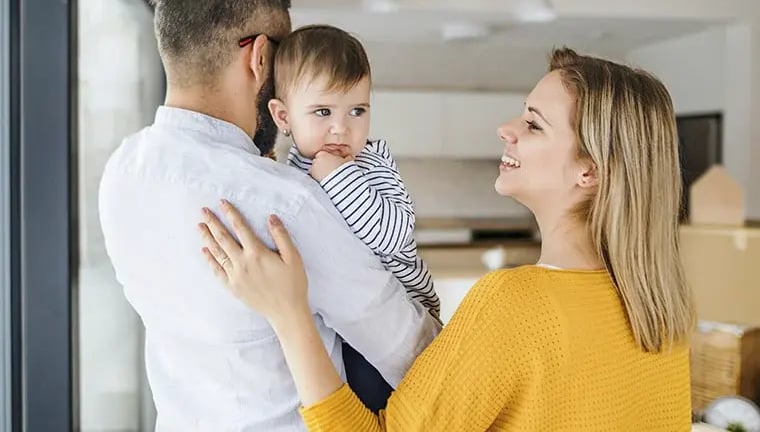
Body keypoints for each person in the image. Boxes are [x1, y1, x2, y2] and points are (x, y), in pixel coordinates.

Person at [198, 47, 697, 431]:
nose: (506, 129)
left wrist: (288, 314)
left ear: (589, 171)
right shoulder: (662, 315)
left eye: (533, 124)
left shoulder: (517, 305)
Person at [98, 0, 440, 432]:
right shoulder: (284, 203)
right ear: (260, 58)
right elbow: (411, 351)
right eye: (282, 63)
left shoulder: (122, 172)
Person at [268, 24, 440, 411]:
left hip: (397, 321)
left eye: (357, 111)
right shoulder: (287, 173)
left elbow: (393, 236)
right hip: (333, 325)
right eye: (323, 111)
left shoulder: (369, 163)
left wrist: (339, 176)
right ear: (283, 116)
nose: (341, 128)